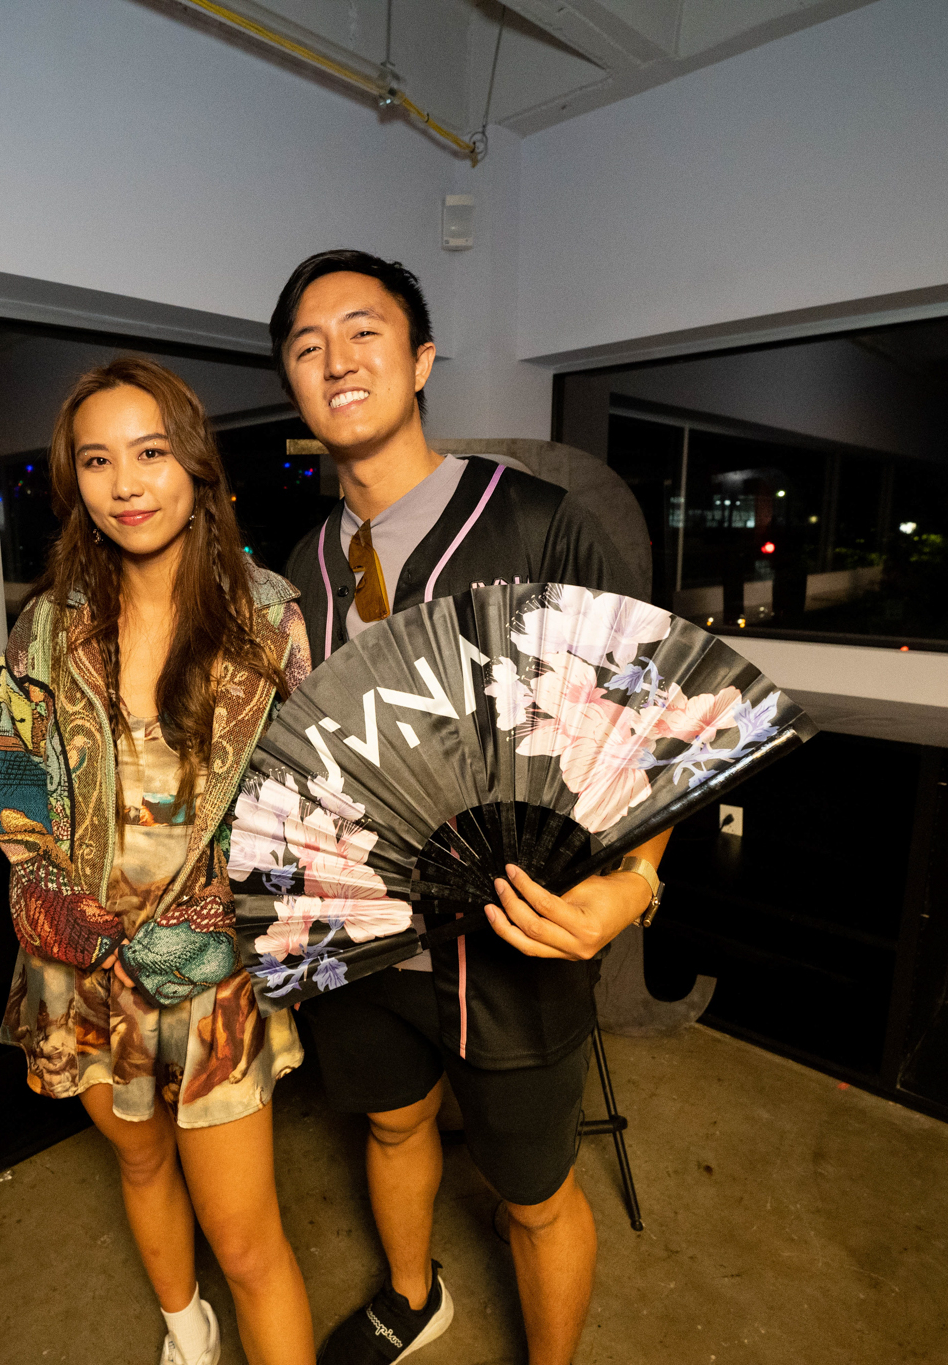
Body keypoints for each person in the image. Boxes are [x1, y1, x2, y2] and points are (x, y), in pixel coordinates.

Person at [270, 250, 672, 1365]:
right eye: (306, 346)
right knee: (394, 1123)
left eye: (364, 331)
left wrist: (633, 884)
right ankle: (414, 1297)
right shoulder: (297, 566)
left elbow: (649, 725)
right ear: (292, 385)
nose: (336, 360)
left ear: (420, 362)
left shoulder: (537, 524)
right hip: (356, 936)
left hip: (514, 936)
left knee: (532, 1192)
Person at [0, 357, 316, 1365]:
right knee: (137, 1162)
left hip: (214, 975)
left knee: (246, 1240)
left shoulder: (269, 616)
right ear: (73, 480)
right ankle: (186, 1330)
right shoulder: (50, 621)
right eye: (97, 461)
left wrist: (245, 908)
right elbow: (10, 763)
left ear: (196, 464)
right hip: (77, 959)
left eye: (150, 452)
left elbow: (310, 795)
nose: (125, 484)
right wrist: (40, 884)